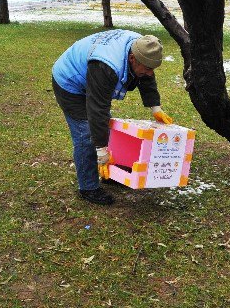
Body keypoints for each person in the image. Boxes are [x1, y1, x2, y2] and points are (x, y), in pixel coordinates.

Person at [52, 29, 173, 205]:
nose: (149, 73)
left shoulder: (143, 47)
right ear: (132, 58)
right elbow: (97, 108)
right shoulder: (106, 65)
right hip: (69, 82)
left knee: (105, 128)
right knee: (85, 136)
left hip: (91, 75)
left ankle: (111, 175)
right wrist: (100, 149)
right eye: (147, 68)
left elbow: (147, 77)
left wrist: (156, 108)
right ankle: (88, 188)